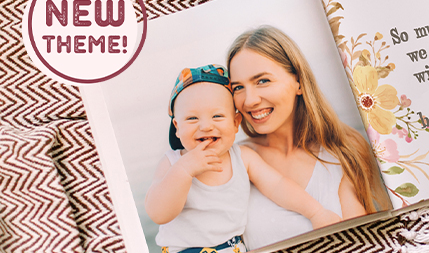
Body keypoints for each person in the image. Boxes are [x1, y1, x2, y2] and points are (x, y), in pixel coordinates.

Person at [145, 64, 341, 253]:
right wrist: (184, 170)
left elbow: (278, 186)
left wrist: (316, 212)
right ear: (177, 128)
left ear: (235, 122)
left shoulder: (242, 158)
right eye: (192, 119)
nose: (205, 126)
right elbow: (159, 214)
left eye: (217, 116)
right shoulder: (172, 162)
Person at [227, 26, 392, 249]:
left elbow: (362, 242)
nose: (249, 100)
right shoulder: (233, 160)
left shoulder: (343, 149)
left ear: (299, 82)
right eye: (238, 87)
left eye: (262, 81)